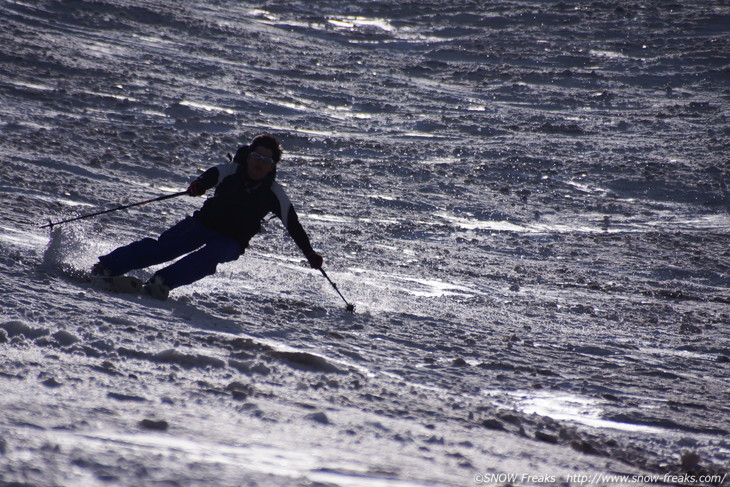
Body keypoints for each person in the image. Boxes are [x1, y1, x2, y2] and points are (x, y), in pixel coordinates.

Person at [92, 134, 323, 300]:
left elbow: (293, 225)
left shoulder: (274, 193)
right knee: (166, 248)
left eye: (267, 160)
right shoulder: (231, 171)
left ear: (272, 166)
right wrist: (199, 185)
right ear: (249, 156)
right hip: (204, 223)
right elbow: (211, 176)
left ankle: (161, 282)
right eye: (256, 156)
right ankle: (107, 267)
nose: (260, 163)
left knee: (211, 256)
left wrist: (310, 254)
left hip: (232, 241)